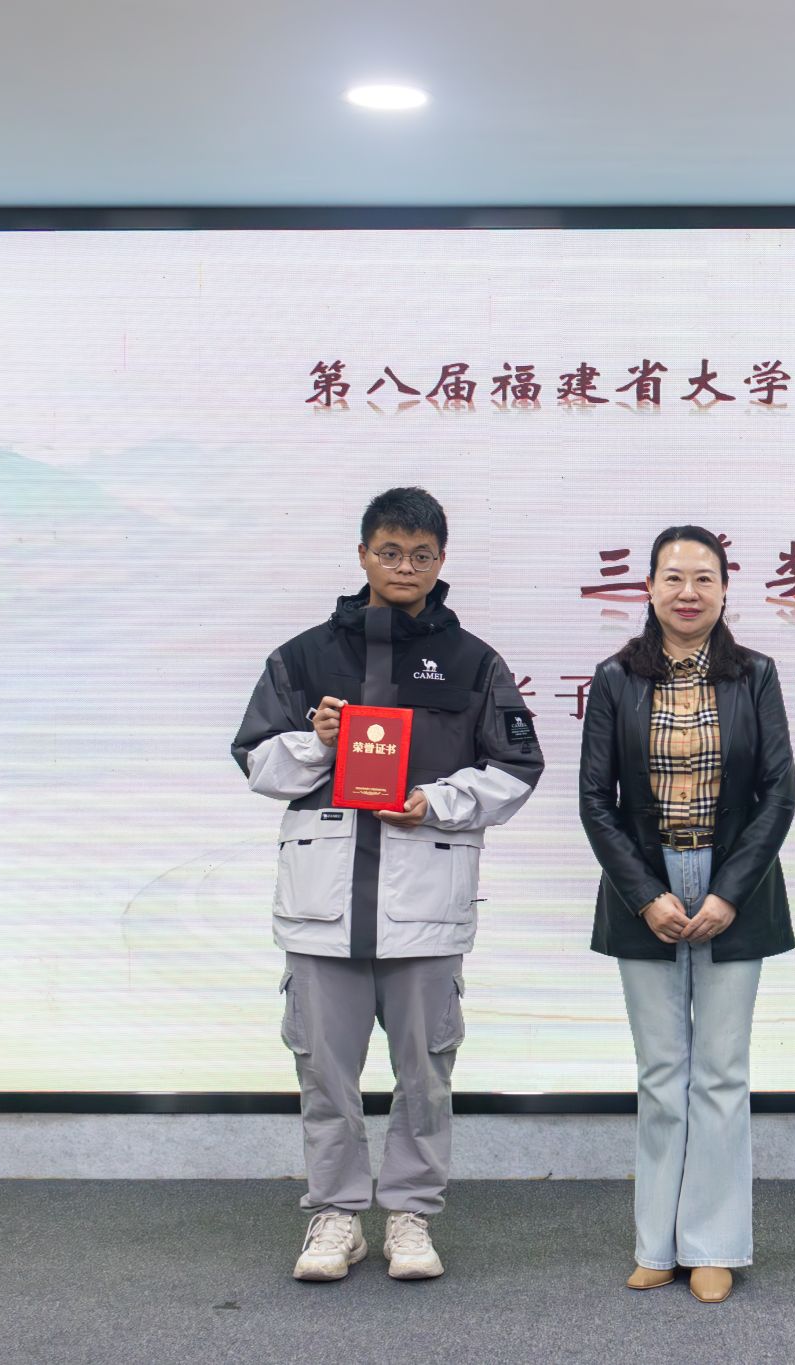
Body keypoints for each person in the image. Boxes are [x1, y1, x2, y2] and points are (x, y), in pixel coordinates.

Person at [230, 486, 544, 1284]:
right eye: (391, 552)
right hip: (322, 906)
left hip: (425, 906)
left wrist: (436, 801)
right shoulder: (303, 657)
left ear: (441, 560)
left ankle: (410, 1213)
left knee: (425, 1074)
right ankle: (336, 1215)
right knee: (322, 1073)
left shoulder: (474, 662)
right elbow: (258, 763)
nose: (405, 567)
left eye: (421, 555)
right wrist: (316, 740)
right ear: (363, 553)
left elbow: (516, 769)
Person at [579, 525, 795, 1304]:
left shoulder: (755, 675)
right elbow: (595, 800)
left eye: (704, 577)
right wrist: (646, 894)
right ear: (648, 588)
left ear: (725, 589)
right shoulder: (615, 678)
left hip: (735, 883)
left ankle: (713, 1243)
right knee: (662, 1072)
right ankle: (656, 1243)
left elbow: (779, 792)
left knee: (722, 1070)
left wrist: (728, 891)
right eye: (672, 577)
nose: (688, 592)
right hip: (645, 884)